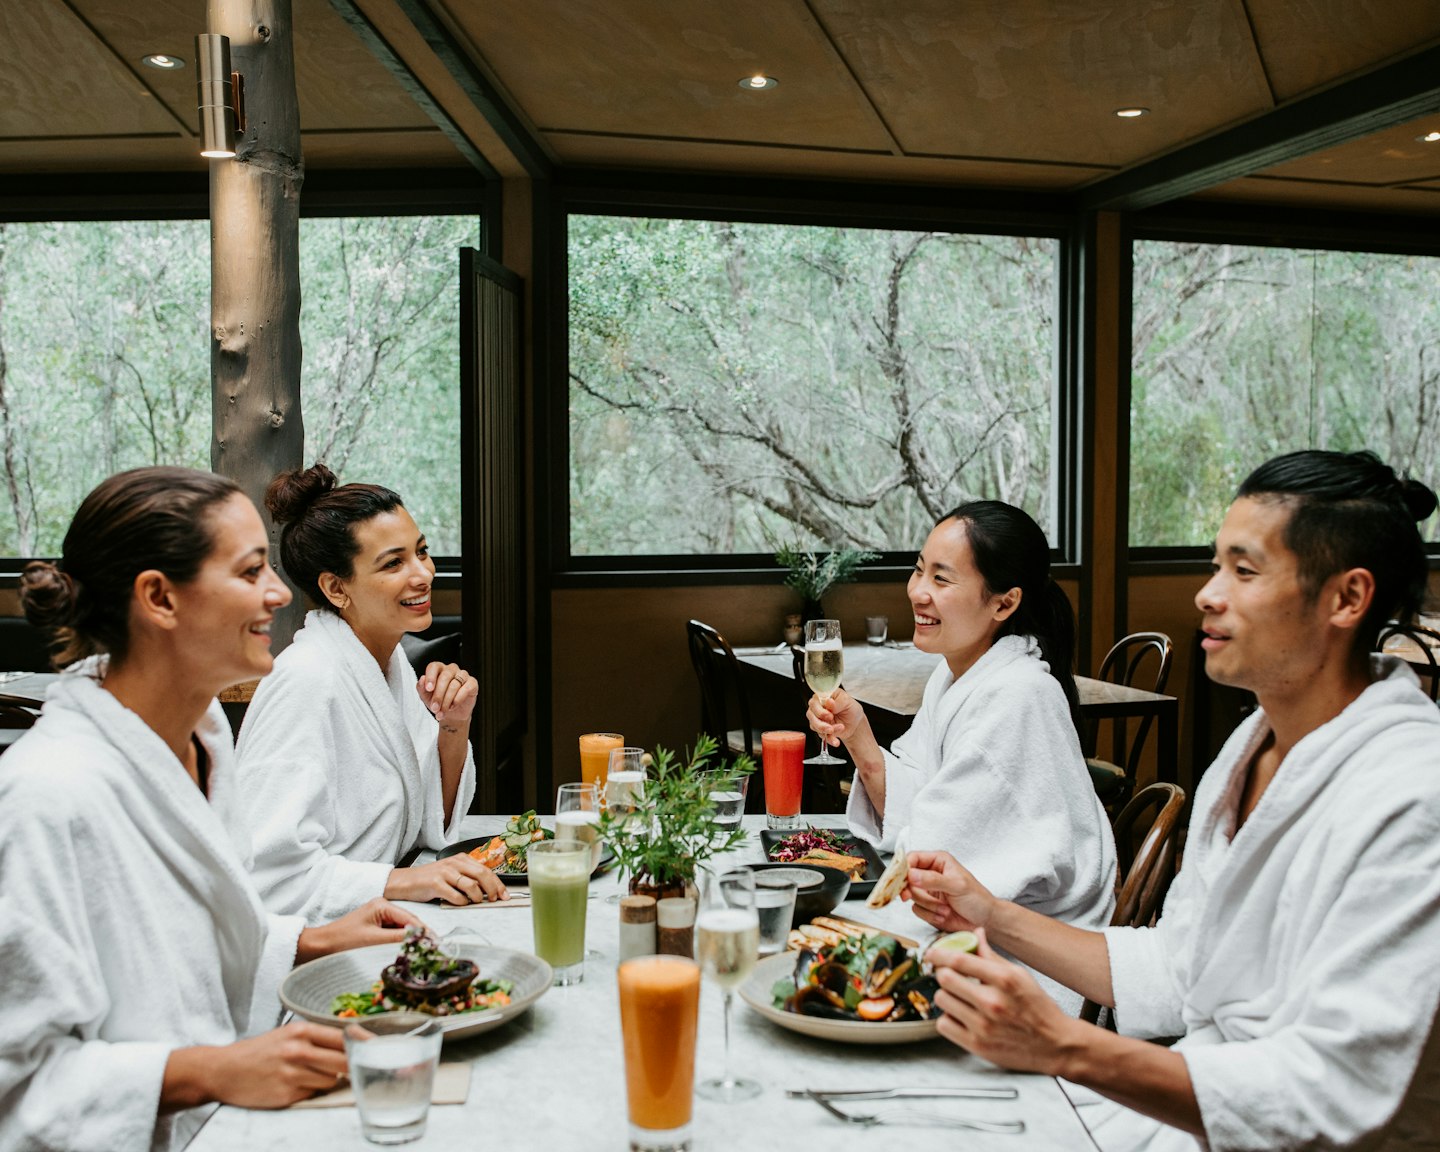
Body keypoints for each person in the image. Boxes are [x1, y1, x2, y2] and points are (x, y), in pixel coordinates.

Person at [908, 450, 1440, 1151]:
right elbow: (1179, 966)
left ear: (1347, 598)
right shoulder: (1255, 747)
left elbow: (1334, 1091)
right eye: (1216, 564)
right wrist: (990, 912)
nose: (1207, 594)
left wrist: (1064, 1045)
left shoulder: (1412, 796)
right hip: (1204, 1098)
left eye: (1244, 571)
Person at [0, 467, 420, 1152]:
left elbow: (189, 950)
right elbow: (16, 1091)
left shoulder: (203, 740)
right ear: (159, 598)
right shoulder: (46, 794)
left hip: (229, 1122)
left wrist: (308, 940)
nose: (280, 593)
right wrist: (210, 1071)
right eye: (251, 571)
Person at [807, 501, 1116, 1010]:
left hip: (1028, 967)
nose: (918, 591)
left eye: (942, 579)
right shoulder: (955, 675)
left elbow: (934, 853)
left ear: (1004, 603)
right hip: (968, 926)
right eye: (918, 569)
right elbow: (920, 806)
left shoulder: (1018, 695)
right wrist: (860, 738)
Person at [233, 463, 506, 923]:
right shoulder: (306, 681)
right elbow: (268, 878)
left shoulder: (389, 663)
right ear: (336, 588)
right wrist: (401, 882)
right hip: (323, 942)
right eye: (393, 563)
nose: (423, 574)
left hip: (380, 914)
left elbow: (430, 821)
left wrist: (453, 724)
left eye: (422, 552)